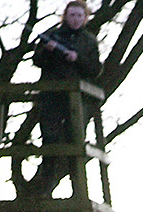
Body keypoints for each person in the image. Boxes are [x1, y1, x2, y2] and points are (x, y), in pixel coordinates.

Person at [30, 1, 102, 197]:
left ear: (85, 18)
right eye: (72, 15)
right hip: (51, 97)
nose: (76, 19)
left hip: (76, 101)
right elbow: (37, 60)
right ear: (65, 16)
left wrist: (76, 58)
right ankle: (44, 191)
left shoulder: (88, 40)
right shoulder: (52, 36)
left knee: (75, 142)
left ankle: (78, 192)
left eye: (80, 15)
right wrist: (48, 50)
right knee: (50, 141)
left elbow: (95, 69)